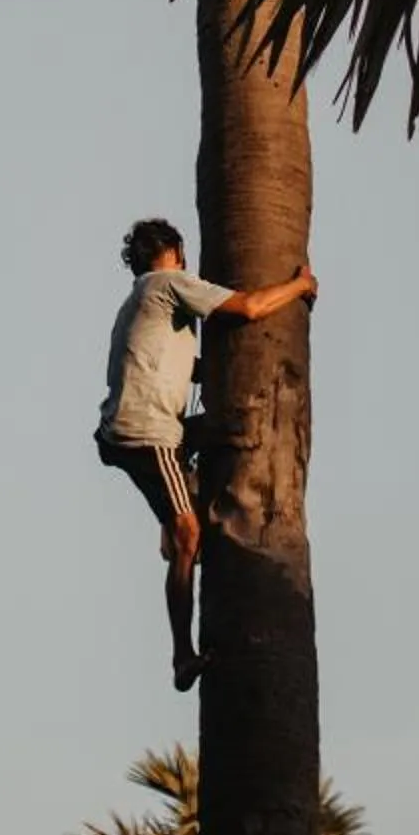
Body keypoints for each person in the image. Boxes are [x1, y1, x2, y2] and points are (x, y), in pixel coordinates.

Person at [96, 216, 316, 690]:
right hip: (148, 435)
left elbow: (171, 365)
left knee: (226, 431)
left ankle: (172, 520)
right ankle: (181, 655)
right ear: (175, 251)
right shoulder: (170, 283)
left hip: (129, 430)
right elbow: (252, 307)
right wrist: (300, 285)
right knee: (189, 536)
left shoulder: (139, 299)